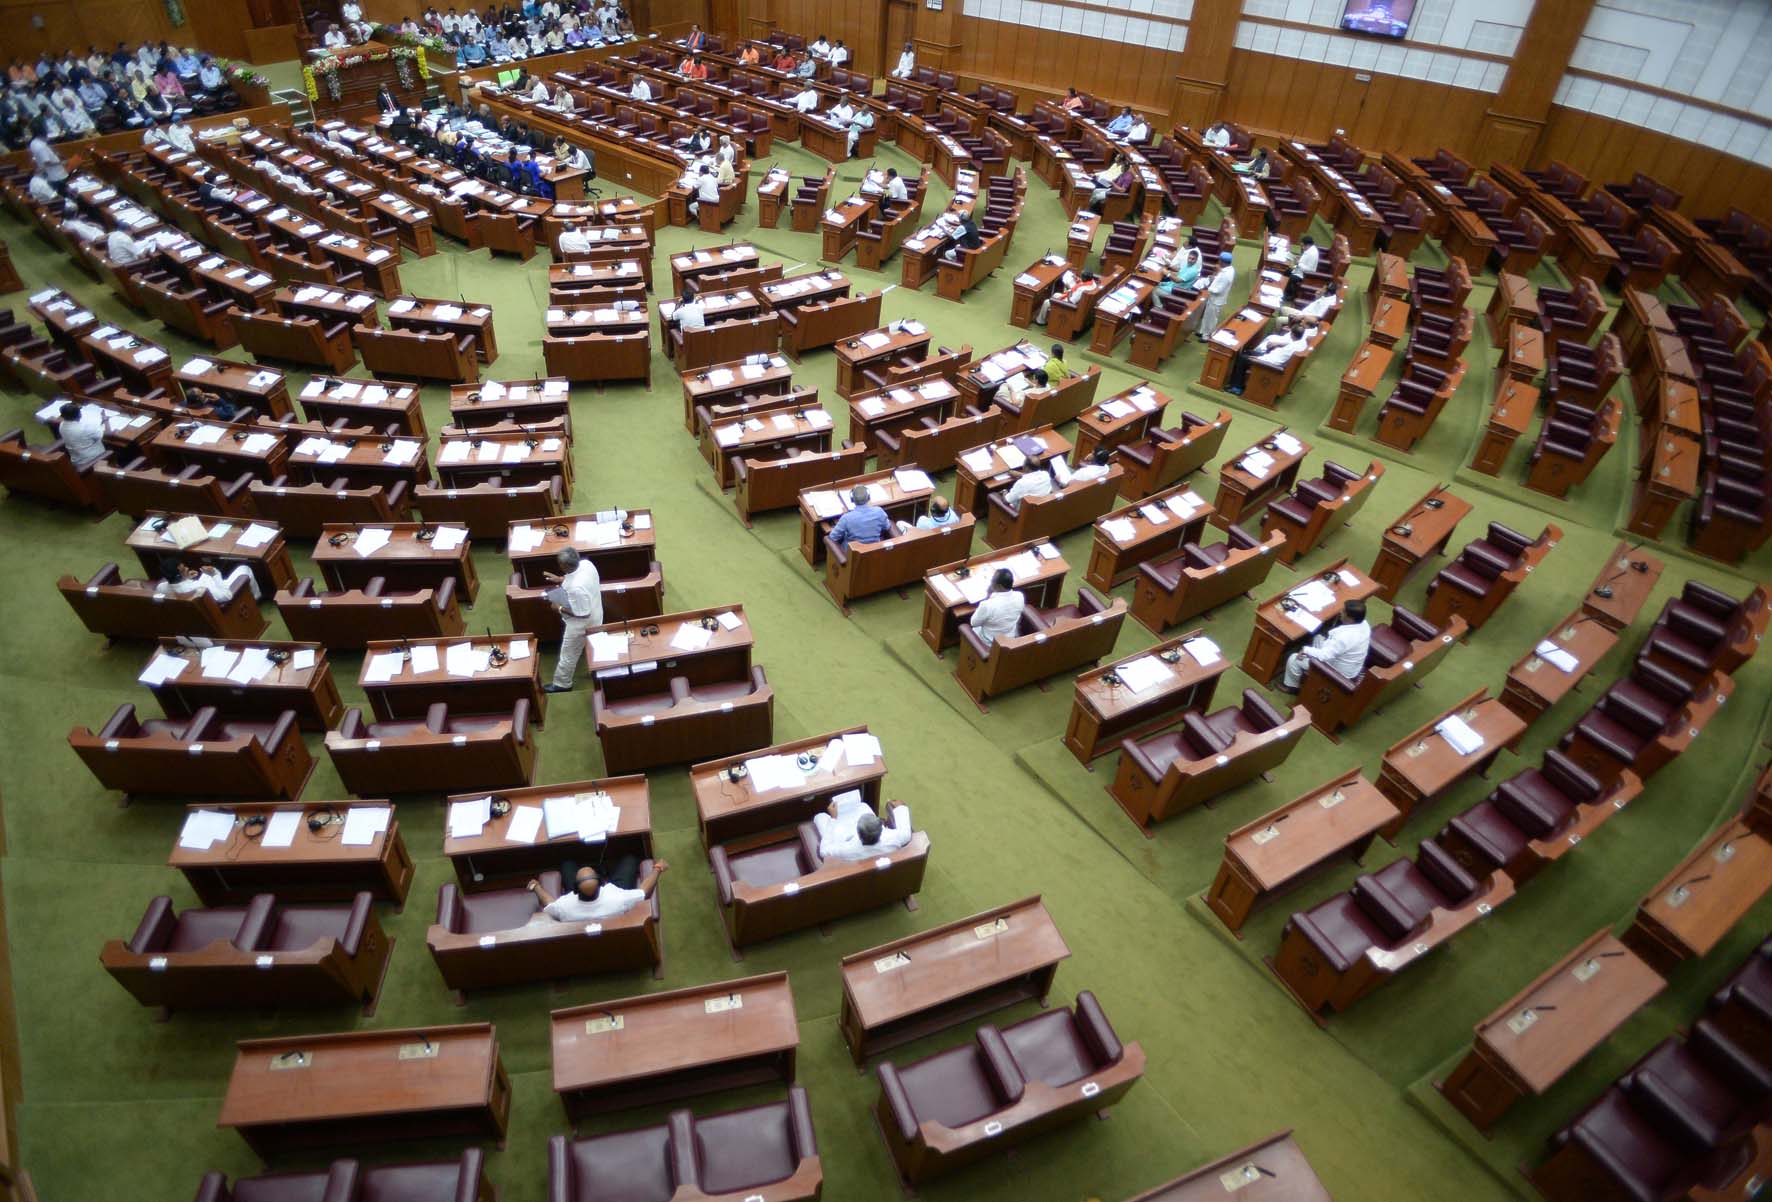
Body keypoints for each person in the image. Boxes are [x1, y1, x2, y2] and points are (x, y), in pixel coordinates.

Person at [528, 857, 668, 922]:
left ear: (575, 889)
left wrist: (537, 887)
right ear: (602, 883)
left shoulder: (564, 907)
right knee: (630, 859)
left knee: (567, 863)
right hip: (614, 902)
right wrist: (657, 869)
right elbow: (644, 892)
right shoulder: (619, 898)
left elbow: (549, 904)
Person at [542, 546, 602, 693]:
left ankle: (563, 684)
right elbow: (576, 577)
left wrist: (559, 608)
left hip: (581, 624)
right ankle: (599, 670)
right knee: (595, 646)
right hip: (597, 612)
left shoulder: (576, 588)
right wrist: (561, 579)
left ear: (564, 566)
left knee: (568, 654)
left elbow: (583, 613)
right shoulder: (587, 564)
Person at [1281, 599, 1371, 692]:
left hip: (1337, 672)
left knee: (1294, 659)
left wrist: (1306, 650)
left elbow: (1325, 656)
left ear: (1350, 618)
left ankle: (1292, 687)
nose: (1340, 612)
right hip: (1350, 665)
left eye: (1343, 611)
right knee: (1318, 638)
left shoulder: (1344, 638)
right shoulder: (1364, 624)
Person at [814, 793, 913, 861]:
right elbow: (901, 807)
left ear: (858, 832)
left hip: (845, 840)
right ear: (881, 827)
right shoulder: (895, 837)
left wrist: (833, 819)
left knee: (820, 817)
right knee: (863, 806)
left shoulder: (846, 850)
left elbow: (823, 852)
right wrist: (900, 806)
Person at [1225, 322, 1313, 395]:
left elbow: (1276, 361)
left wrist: (1258, 359)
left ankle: (1236, 387)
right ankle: (1236, 380)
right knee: (1246, 352)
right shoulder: (1301, 343)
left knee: (1242, 359)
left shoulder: (1292, 347)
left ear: (1292, 334)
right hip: (1270, 357)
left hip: (1269, 364)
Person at [155, 557, 258, 601]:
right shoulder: (200, 588)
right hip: (221, 596)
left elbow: (180, 587)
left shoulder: (161, 588)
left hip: (197, 595)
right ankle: (255, 599)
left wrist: (186, 578)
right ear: (178, 576)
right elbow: (227, 596)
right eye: (183, 570)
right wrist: (214, 574)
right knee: (244, 568)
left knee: (204, 575)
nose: (187, 568)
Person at [969, 568, 1025, 644]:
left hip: (990, 641)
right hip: (1009, 636)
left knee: (975, 628)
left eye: (992, 580)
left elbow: (973, 623)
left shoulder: (987, 605)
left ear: (999, 586)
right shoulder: (1020, 596)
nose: (991, 582)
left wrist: (988, 597)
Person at [1196, 251, 1235, 340]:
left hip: (1216, 300)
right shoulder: (1228, 269)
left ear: (1222, 261)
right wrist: (1214, 278)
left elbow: (1218, 290)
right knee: (1207, 315)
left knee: (1212, 318)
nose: (1218, 262)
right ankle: (1202, 332)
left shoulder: (1226, 274)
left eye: (1219, 260)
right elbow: (1219, 280)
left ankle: (1207, 336)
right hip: (1212, 298)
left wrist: (1208, 287)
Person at [55, 400, 106, 469]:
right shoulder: (84, 428)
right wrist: (105, 420)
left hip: (77, 460)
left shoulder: (61, 425)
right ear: (79, 415)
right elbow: (104, 434)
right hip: (94, 459)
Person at [1285, 235, 1318, 301]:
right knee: (1286, 270)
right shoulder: (1309, 249)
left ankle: (1290, 295)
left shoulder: (1312, 254)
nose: (1302, 248)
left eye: (1303, 246)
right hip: (1299, 270)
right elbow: (1304, 260)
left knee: (1291, 277)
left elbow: (1310, 269)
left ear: (1308, 245)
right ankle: (1286, 291)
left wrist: (1298, 263)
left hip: (1304, 275)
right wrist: (1299, 258)